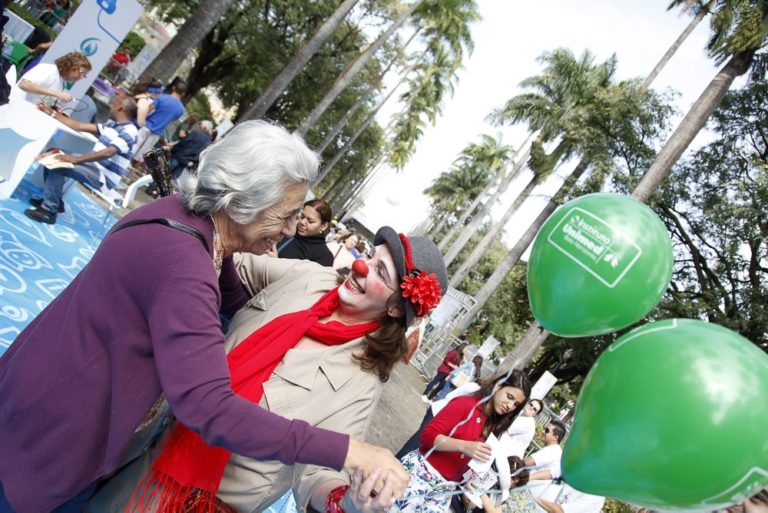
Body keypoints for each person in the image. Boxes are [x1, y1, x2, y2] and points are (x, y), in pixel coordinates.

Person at [0, 121, 403, 512]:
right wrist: (348, 450)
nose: (290, 231)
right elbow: (207, 405)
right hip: (49, 440)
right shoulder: (184, 265)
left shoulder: (187, 224)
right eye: (286, 214)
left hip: (50, 407)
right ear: (243, 202)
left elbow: (232, 296)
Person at [87, 225, 448, 513]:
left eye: (379, 271)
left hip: (199, 500)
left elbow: (320, 472)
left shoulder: (362, 380)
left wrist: (349, 502)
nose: (360, 266)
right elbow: (231, 265)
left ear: (397, 308)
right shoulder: (310, 278)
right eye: (370, 256)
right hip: (145, 442)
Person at [394, 370, 532, 513]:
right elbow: (427, 436)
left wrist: (469, 481)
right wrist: (463, 446)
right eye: (509, 397)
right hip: (419, 477)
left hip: (444, 490)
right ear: (498, 386)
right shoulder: (466, 404)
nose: (510, 406)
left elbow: (467, 462)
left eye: (516, 404)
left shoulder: (492, 426)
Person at [24, 95, 138, 224]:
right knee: (52, 156)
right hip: (95, 168)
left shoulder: (130, 131)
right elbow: (78, 126)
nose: (111, 105)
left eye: (113, 102)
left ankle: (49, 211)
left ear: (120, 107)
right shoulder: (112, 125)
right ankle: (54, 201)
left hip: (104, 176)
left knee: (58, 165)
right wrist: (52, 112)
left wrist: (75, 159)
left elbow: (109, 152)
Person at [131, 79, 186, 169]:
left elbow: (148, 109)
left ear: (173, 88)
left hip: (145, 126)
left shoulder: (162, 97)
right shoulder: (181, 109)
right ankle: (131, 172)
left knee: (132, 148)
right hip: (157, 133)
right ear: (183, 94)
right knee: (140, 157)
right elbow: (170, 121)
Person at [9, 50, 91, 105]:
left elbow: (43, 98)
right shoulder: (49, 69)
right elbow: (24, 84)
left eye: (84, 75)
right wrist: (57, 94)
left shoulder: (62, 82)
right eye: (81, 73)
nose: (81, 77)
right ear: (72, 67)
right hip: (14, 105)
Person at [274, 198, 335, 266]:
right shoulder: (285, 231)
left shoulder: (324, 257)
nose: (302, 222)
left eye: (310, 221)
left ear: (323, 226)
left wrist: (275, 263)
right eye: (302, 217)